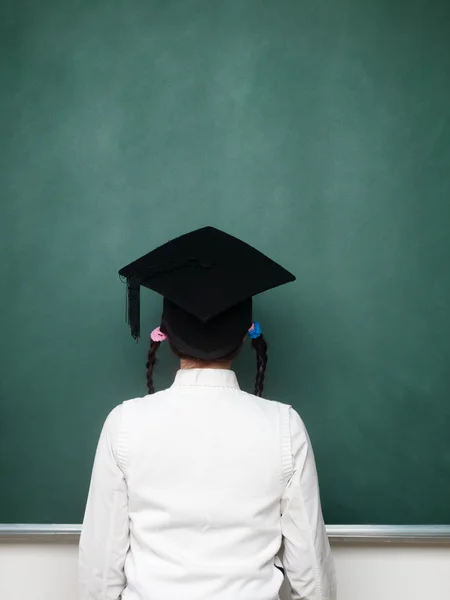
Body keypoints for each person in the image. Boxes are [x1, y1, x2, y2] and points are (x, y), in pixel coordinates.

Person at [78, 226, 336, 600]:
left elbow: (100, 569)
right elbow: (310, 570)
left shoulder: (125, 423)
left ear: (163, 335)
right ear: (247, 335)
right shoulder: (284, 426)